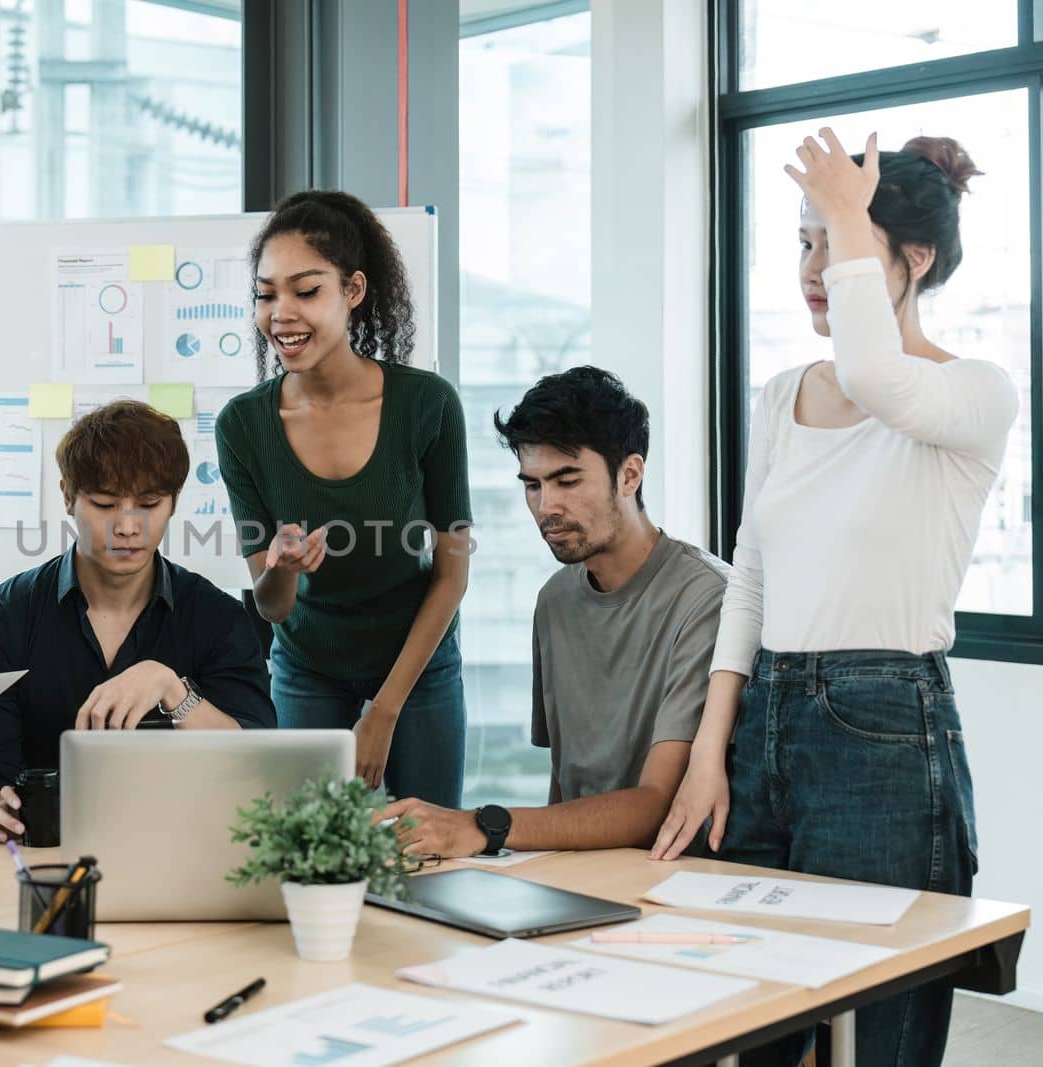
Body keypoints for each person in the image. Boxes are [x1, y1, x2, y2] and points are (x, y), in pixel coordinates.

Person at [651, 130, 1016, 1067]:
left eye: (838, 242)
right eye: (805, 241)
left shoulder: (973, 394)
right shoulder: (781, 396)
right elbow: (753, 577)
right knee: (745, 1026)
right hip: (761, 718)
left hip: (885, 731)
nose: (814, 268)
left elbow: (877, 377)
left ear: (915, 258)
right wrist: (707, 750)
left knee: (878, 1037)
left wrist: (852, 214)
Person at [380, 367, 728, 857]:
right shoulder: (554, 600)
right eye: (533, 485)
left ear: (629, 474)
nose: (547, 506)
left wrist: (485, 827)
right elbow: (565, 787)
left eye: (566, 480)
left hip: (669, 875)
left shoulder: (706, 597)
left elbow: (657, 805)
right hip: (581, 871)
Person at [214, 190, 473, 807]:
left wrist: (384, 710)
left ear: (352, 291)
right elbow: (273, 608)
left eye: (306, 291)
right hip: (308, 665)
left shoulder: (428, 406)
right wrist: (280, 569)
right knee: (299, 855)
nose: (282, 313)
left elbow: (452, 575)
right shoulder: (242, 425)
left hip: (418, 661)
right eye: (266, 293)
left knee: (433, 851)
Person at [0, 400, 276, 844]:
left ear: (174, 502)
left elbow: (253, 761)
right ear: (68, 496)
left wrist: (173, 690)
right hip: (44, 854)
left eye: (148, 504)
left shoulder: (219, 619)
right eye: (105, 504)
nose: (128, 526)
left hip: (188, 848)